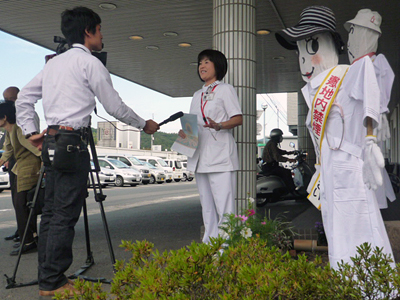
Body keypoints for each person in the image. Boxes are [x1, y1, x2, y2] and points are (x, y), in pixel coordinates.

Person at [15, 6, 159, 297]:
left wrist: (32, 133)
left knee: (53, 213)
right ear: (88, 31)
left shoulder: (53, 64)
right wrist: (145, 124)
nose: (102, 35)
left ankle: (49, 277)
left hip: (53, 142)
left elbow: (23, 99)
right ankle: (54, 282)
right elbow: (114, 106)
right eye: (100, 29)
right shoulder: (91, 63)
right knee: (65, 215)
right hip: (73, 143)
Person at [275, 5, 393, 269]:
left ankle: (372, 291)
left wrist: (371, 139)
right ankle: (345, 286)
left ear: (331, 44)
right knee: (338, 239)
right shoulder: (314, 91)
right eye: (300, 50)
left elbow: (372, 93)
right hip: (328, 176)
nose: (305, 59)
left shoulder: (349, 75)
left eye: (312, 46)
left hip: (349, 173)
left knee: (361, 235)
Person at [179, 49, 242, 244]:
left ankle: (226, 248)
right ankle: (209, 246)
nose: (202, 66)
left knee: (224, 207)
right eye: (200, 63)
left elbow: (238, 118)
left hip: (220, 156)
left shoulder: (225, 89)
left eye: (207, 62)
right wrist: (185, 134)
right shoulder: (197, 94)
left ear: (218, 66)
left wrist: (220, 125)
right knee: (207, 207)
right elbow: (193, 125)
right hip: (199, 157)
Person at [344, 9, 396, 209]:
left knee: (367, 186)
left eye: (355, 31)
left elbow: (370, 108)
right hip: (359, 139)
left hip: (363, 140)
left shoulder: (371, 65)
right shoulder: (368, 65)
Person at [0, 102, 41, 256]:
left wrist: (45, 166)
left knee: (21, 205)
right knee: (21, 205)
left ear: (4, 117)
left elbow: (36, 148)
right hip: (21, 168)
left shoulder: (18, 130)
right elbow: (7, 152)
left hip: (29, 169)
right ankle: (29, 238)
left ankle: (29, 241)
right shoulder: (9, 131)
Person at [261, 128, 297, 192]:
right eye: (280, 136)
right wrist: (289, 159)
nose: (281, 138)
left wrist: (290, 152)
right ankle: (292, 190)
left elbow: (279, 151)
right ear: (276, 137)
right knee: (287, 172)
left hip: (269, 166)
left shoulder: (271, 143)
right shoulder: (272, 144)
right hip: (270, 167)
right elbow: (277, 157)